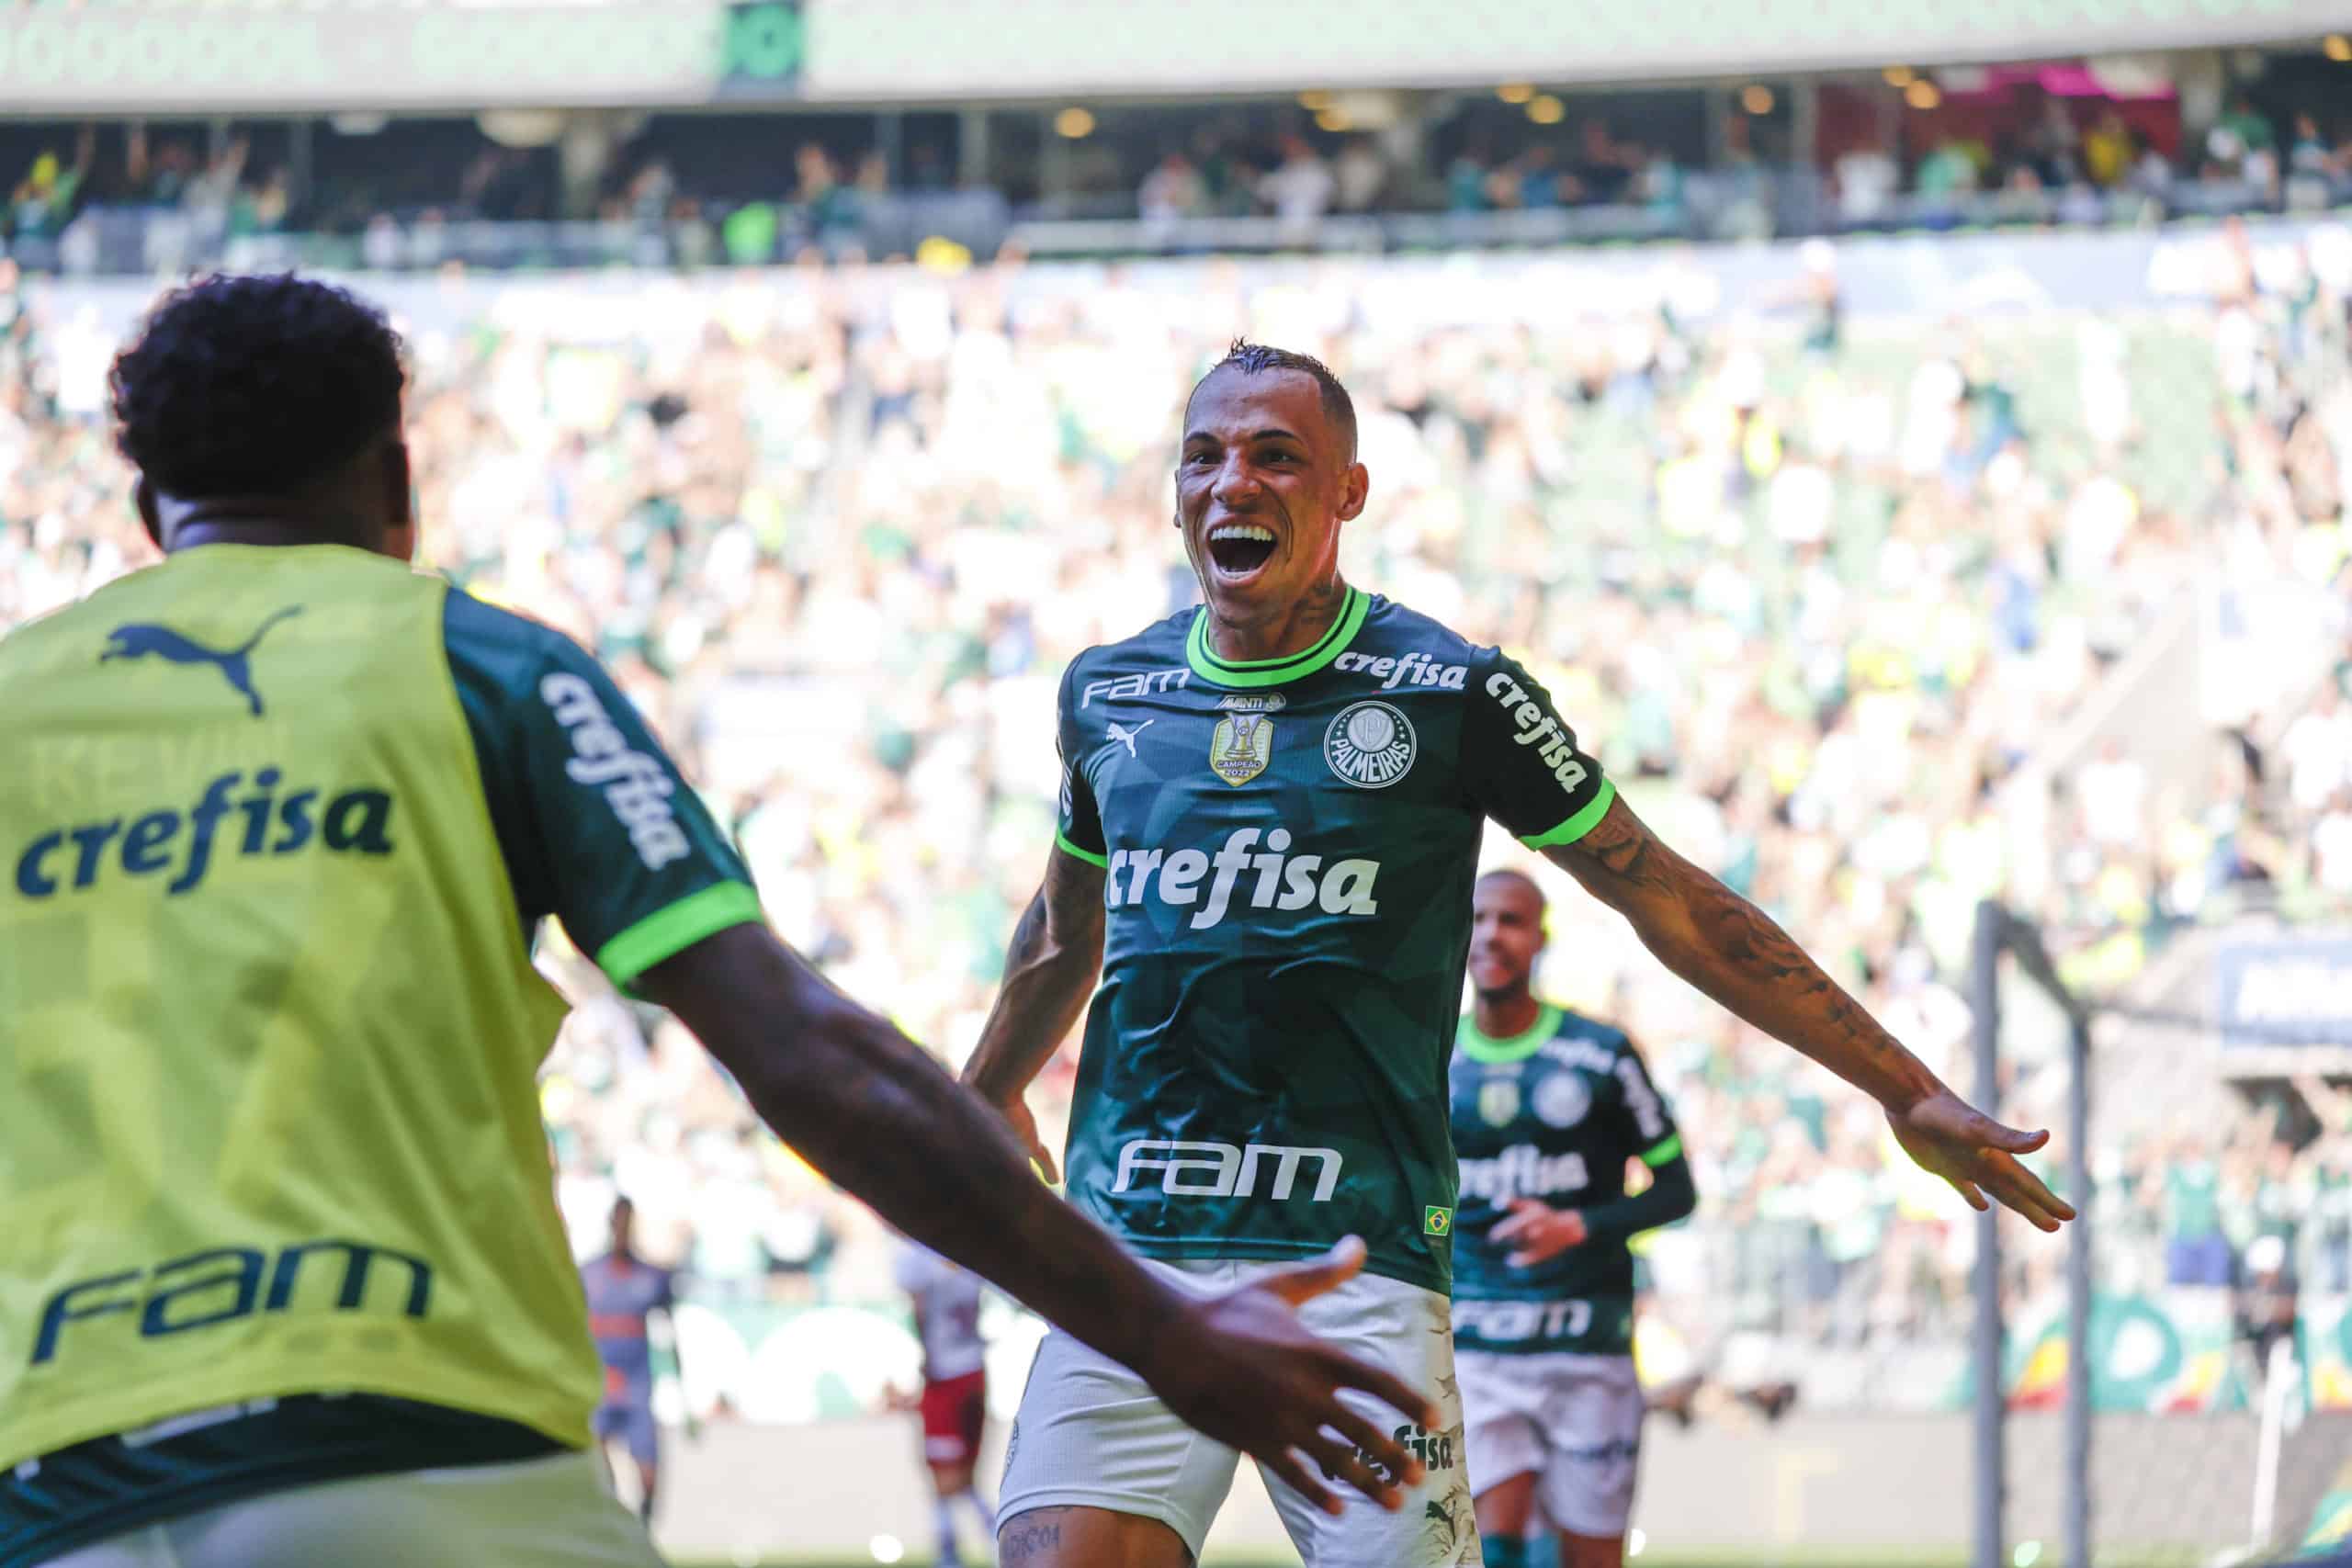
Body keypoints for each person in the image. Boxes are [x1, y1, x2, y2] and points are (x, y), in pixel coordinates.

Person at [0, 276, 1441, 1568]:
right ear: (397, 485)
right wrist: (1161, 1325)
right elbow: (797, 1043)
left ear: (145, 513)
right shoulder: (483, 672)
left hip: (45, 1472)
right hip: (412, 1438)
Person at [964, 340, 2074, 1568]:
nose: (1234, 483)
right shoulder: (1108, 692)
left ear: (1349, 491)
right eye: (1205, 456)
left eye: (1278, 456)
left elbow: (1672, 898)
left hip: (1356, 1260)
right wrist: (982, 1087)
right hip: (1131, 1250)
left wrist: (1900, 1081)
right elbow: (1069, 927)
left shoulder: (1454, 692)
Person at [1449, 869, 1696, 1568]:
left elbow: (1677, 1191)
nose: (1492, 933)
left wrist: (1579, 1226)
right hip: (1480, 1349)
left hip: (1589, 1349)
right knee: (1491, 1545)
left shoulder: (1601, 1056)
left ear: (1540, 940)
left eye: (1512, 920)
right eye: (1480, 918)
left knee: (1590, 1556)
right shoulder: (1434, 1056)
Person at [579, 1198, 684, 1527]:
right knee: (600, 1473)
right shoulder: (587, 1275)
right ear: (611, 1225)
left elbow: (669, 1332)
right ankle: (613, 1537)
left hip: (638, 1387)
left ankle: (644, 1530)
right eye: (618, 1222)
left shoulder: (652, 1278)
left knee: (649, 1476)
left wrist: (682, 1385)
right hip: (600, 1385)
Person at [893, 1239, 998, 1568]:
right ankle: (991, 1541)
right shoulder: (968, 1253)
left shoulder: (916, 1257)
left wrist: (927, 1359)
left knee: (943, 1476)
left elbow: (920, 1310)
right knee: (963, 1474)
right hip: (975, 1368)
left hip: (946, 1373)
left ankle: (952, 1553)